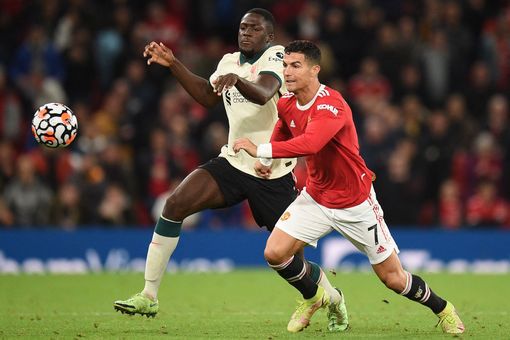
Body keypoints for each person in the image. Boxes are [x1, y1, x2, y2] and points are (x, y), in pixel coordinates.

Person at [113, 9, 345, 331]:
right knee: (175, 204)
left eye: (254, 28)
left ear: (269, 35)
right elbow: (209, 97)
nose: (245, 33)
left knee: (290, 260)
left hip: (272, 172)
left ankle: (332, 298)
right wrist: (174, 65)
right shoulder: (228, 62)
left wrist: (237, 80)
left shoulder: (277, 56)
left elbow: (265, 94)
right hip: (234, 161)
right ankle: (149, 294)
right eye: (242, 27)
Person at [233, 40, 465, 334]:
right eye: (285, 65)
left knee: (393, 279)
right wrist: (271, 157)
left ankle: (443, 309)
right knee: (275, 253)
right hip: (316, 198)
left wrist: (261, 150)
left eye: (295, 65)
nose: (287, 72)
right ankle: (320, 297)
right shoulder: (287, 102)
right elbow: (284, 126)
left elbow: (311, 143)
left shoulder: (332, 104)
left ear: (315, 69)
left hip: (355, 203)